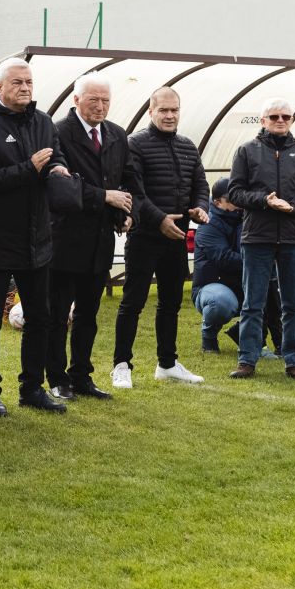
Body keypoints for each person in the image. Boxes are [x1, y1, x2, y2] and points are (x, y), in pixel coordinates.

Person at [0, 57, 70, 416]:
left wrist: (58, 169)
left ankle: (32, 388)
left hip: (37, 238)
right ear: (0, 88)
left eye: (28, 82)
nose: (25, 88)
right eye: (17, 82)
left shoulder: (43, 121)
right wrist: (31, 168)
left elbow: (56, 157)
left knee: (40, 317)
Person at [46, 73, 136, 402]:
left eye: (105, 100)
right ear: (76, 100)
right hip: (64, 240)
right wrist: (104, 197)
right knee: (58, 316)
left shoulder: (116, 134)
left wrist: (129, 214)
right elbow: (60, 188)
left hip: (100, 242)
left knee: (88, 315)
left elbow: (128, 181)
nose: (100, 106)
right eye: (93, 100)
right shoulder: (57, 132)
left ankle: (81, 376)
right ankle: (57, 378)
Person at [111, 86, 208, 388]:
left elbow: (200, 184)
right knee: (133, 302)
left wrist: (200, 208)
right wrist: (159, 220)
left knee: (170, 303)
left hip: (176, 237)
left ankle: (167, 364)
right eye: (163, 110)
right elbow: (134, 192)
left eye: (174, 110)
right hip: (144, 237)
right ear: (151, 111)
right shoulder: (135, 144)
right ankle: (121, 365)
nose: (169, 115)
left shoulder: (188, 146)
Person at [227, 98, 295, 380]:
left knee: (293, 304)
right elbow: (235, 192)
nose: (280, 120)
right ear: (263, 121)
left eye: (286, 116)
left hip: (294, 238)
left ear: (291, 120)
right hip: (257, 236)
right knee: (252, 303)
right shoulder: (246, 151)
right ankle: (247, 359)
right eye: (274, 116)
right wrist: (264, 201)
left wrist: (293, 207)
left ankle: (294, 361)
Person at [191, 177, 286, 357]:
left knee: (269, 291)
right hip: (212, 286)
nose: (237, 202)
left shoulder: (245, 216)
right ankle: (209, 335)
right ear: (217, 202)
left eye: (238, 196)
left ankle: (255, 340)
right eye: (231, 199)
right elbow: (224, 258)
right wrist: (258, 261)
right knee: (221, 303)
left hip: (242, 281)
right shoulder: (207, 224)